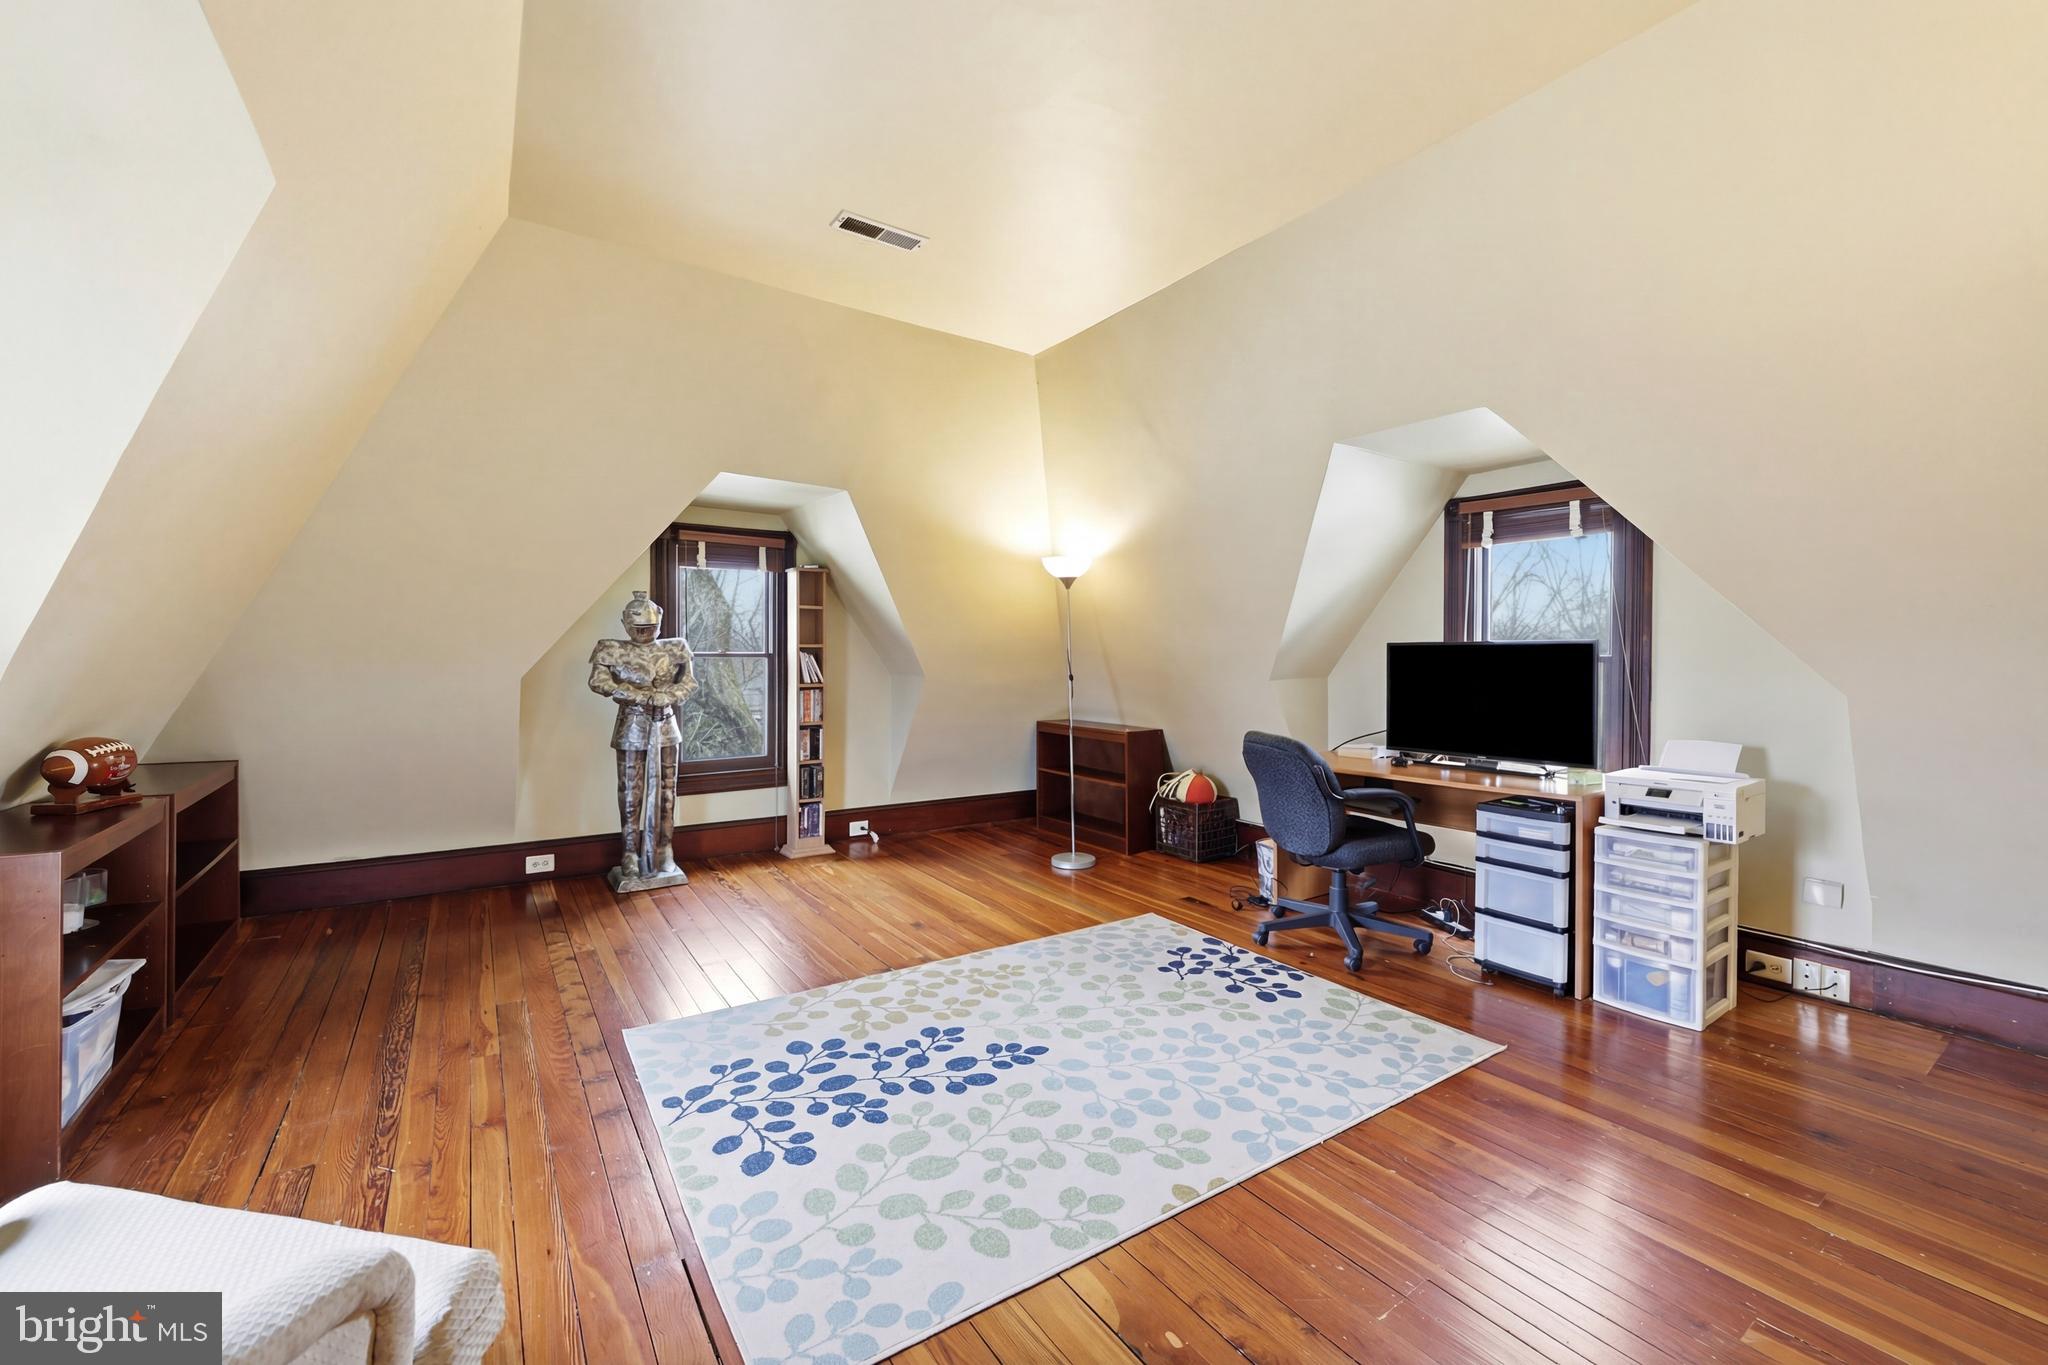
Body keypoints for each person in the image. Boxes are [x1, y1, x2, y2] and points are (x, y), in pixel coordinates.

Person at [587, 591, 695, 890]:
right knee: (630, 790)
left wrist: (666, 695)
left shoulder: (675, 647)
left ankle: (664, 851)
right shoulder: (611, 648)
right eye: (638, 629)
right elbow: (599, 681)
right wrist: (633, 694)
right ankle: (630, 855)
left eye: (649, 628)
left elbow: (688, 682)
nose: (644, 633)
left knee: (667, 789)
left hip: (665, 723)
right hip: (632, 722)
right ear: (626, 625)